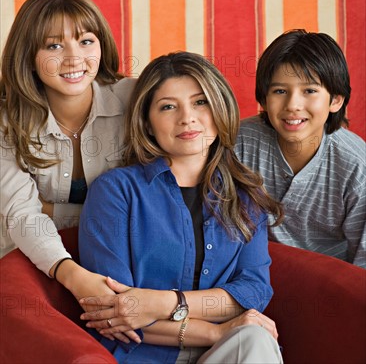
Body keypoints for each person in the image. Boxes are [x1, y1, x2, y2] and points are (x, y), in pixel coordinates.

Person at [78, 51, 284, 363]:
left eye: (200, 102)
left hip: (225, 353)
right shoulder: (115, 191)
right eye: (168, 107)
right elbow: (115, 312)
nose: (187, 117)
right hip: (142, 354)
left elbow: (253, 291)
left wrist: (164, 303)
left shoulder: (246, 195)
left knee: (255, 340)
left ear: (219, 109)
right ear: (147, 123)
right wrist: (216, 330)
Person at [0, 0, 137, 309]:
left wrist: (53, 210)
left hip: (117, 251)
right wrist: (72, 275)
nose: (74, 58)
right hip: (26, 255)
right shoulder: (6, 122)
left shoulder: (135, 100)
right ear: (29, 57)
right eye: (54, 45)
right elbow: (23, 216)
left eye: (86, 41)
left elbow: (151, 204)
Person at [235, 29, 366, 268]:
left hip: (327, 282)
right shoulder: (238, 142)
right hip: (248, 275)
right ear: (264, 99)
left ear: (336, 100)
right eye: (280, 91)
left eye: (310, 91)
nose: (293, 105)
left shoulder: (356, 165)